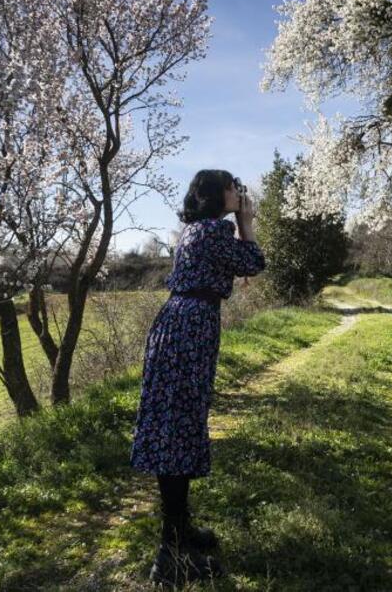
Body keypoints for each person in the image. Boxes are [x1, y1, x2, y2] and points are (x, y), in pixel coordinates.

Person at [129, 169, 266, 587]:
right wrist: (246, 222)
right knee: (179, 430)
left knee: (178, 427)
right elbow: (255, 262)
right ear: (213, 195)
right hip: (189, 329)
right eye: (231, 187)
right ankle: (171, 554)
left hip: (182, 325)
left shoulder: (196, 231)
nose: (237, 192)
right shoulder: (213, 231)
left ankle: (179, 532)